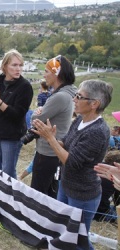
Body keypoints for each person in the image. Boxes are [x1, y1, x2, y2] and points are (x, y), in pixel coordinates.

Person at [33, 79, 113, 249]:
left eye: (79, 96)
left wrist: (50, 139)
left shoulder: (97, 132)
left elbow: (71, 162)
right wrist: (53, 138)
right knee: (63, 231)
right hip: (66, 185)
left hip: (82, 194)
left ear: (94, 104)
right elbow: (67, 144)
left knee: (79, 240)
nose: (74, 100)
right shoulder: (79, 120)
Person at [30, 55, 77, 198]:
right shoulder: (70, 91)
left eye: (46, 71)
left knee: (38, 190)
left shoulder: (60, 96)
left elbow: (35, 118)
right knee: (50, 190)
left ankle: (34, 219)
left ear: (57, 73)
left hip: (48, 150)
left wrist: (37, 112)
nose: (44, 75)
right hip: (57, 147)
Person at [0, 49, 33, 178]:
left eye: (20, 65)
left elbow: (18, 114)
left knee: (7, 173)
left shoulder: (25, 86)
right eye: (14, 65)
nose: (18, 69)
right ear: (5, 66)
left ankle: (10, 197)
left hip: (12, 135)